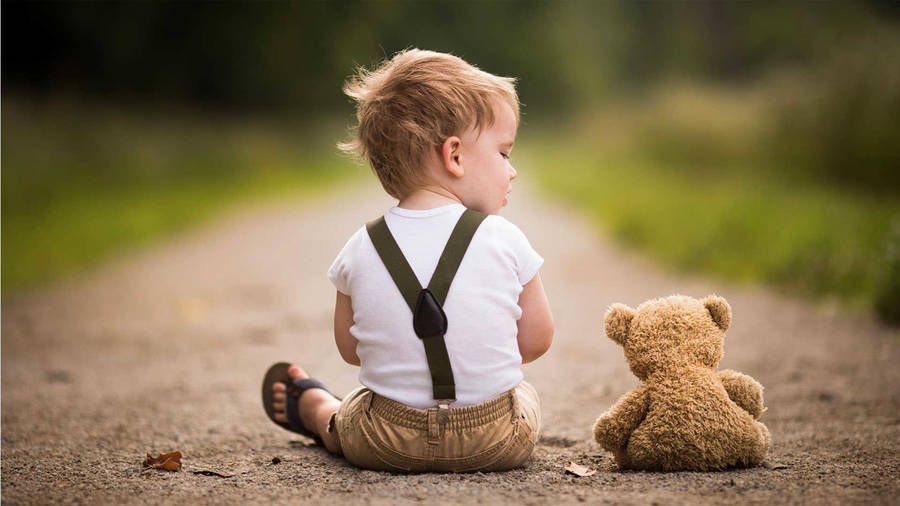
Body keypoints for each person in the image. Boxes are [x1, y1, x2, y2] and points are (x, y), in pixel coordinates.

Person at [262, 48, 554, 472]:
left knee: (355, 410)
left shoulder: (361, 246)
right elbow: (536, 341)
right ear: (454, 155)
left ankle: (318, 411)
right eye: (504, 153)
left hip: (384, 440)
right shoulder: (505, 238)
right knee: (522, 393)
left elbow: (351, 349)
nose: (512, 171)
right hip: (495, 438)